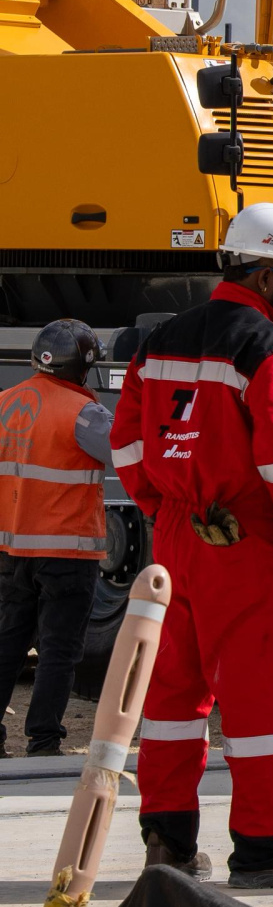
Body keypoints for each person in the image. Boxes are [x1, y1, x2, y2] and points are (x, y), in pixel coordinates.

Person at [110, 202, 273, 887]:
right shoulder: (268, 347)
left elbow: (125, 442)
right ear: (267, 275)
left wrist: (163, 507)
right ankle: (266, 850)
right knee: (259, 697)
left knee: (173, 695)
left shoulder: (160, 340)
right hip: (245, 540)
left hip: (176, 535)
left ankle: (168, 844)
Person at [0, 320, 114, 757]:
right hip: (67, 551)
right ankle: (43, 741)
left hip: (14, 551)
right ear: (82, 368)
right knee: (58, 650)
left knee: (9, 642)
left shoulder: (6, 403)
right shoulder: (83, 413)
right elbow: (129, 451)